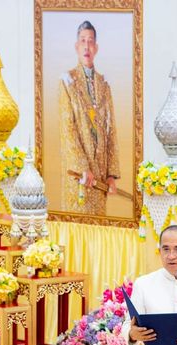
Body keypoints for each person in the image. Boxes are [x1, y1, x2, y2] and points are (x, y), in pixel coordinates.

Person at [58, 20, 121, 215]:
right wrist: (82, 167)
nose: (87, 46)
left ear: (96, 48)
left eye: (91, 41)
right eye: (83, 41)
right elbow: (67, 129)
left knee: (99, 231)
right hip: (80, 177)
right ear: (77, 47)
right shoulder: (67, 82)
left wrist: (111, 175)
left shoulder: (104, 84)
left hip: (100, 177)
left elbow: (111, 130)